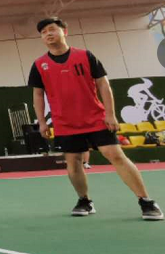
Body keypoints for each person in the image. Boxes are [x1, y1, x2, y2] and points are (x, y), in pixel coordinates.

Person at [30, 17, 162, 220]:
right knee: (73, 162)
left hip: (95, 118)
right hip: (65, 123)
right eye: (43, 32)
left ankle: (146, 201)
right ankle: (84, 200)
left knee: (115, 155)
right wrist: (41, 122)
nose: (48, 34)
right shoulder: (39, 65)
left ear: (64, 31)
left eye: (52, 29)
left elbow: (103, 84)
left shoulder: (85, 56)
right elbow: (38, 95)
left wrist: (110, 113)